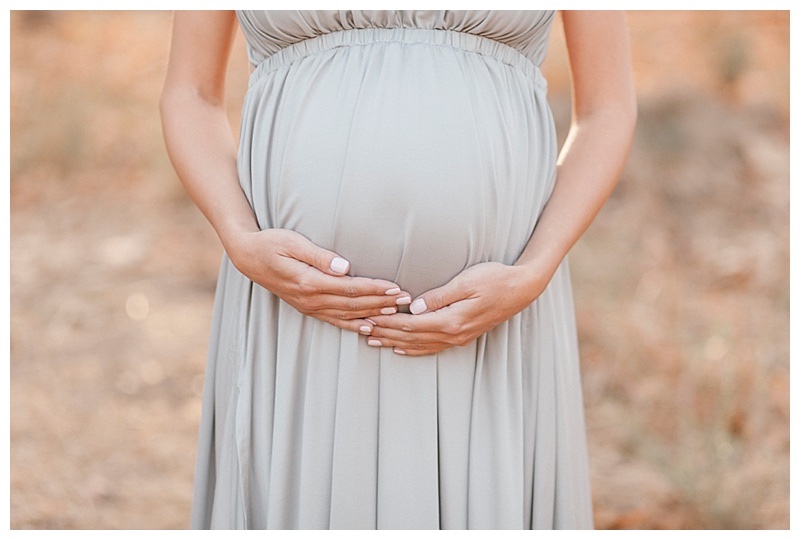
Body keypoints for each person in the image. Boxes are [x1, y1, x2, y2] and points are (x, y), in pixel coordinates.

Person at [160, 10, 636, 530]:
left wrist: (536, 269)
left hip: (493, 324)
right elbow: (191, 92)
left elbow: (606, 108)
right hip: (295, 314)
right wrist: (239, 235)